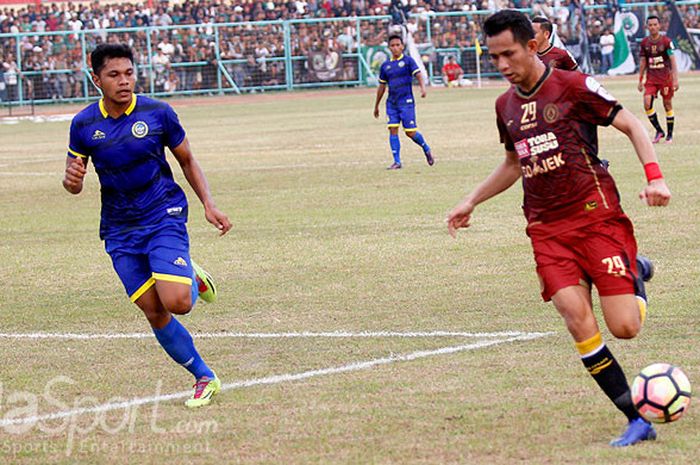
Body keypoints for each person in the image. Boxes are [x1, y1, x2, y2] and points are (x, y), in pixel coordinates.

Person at [447, 10, 671, 447]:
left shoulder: (572, 86)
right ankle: (636, 417)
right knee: (577, 320)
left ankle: (635, 273)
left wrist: (655, 176)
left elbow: (631, 123)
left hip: (596, 218)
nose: (502, 66)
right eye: (494, 58)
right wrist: (471, 199)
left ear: (532, 45)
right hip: (546, 230)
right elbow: (515, 162)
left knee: (625, 328)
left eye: (508, 54)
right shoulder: (504, 105)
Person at [62, 44, 232, 408]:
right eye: (114, 75)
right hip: (120, 230)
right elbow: (72, 182)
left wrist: (209, 204)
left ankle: (189, 275)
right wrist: (72, 181)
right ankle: (204, 376)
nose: (124, 82)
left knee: (179, 303)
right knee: (154, 311)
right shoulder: (83, 125)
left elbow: (187, 160)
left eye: (129, 73)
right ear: (96, 79)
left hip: (162, 215)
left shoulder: (158, 113)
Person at [373, 34, 434, 170]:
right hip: (391, 103)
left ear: (402, 46)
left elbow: (418, 74)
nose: (395, 48)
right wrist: (376, 105)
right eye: (392, 46)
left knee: (410, 132)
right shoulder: (385, 66)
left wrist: (423, 88)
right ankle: (397, 161)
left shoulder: (408, 61)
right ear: (389, 48)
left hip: (406, 102)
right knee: (392, 129)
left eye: (397, 45)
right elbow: (382, 86)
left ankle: (426, 148)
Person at [638, 15, 679, 144]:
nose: (653, 27)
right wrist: (640, 79)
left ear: (659, 26)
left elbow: (673, 61)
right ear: (647, 27)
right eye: (650, 25)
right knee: (646, 102)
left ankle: (670, 135)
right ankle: (659, 131)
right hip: (651, 78)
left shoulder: (666, 41)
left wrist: (675, 79)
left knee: (667, 105)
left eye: (655, 24)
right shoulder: (645, 43)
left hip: (665, 78)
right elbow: (643, 61)